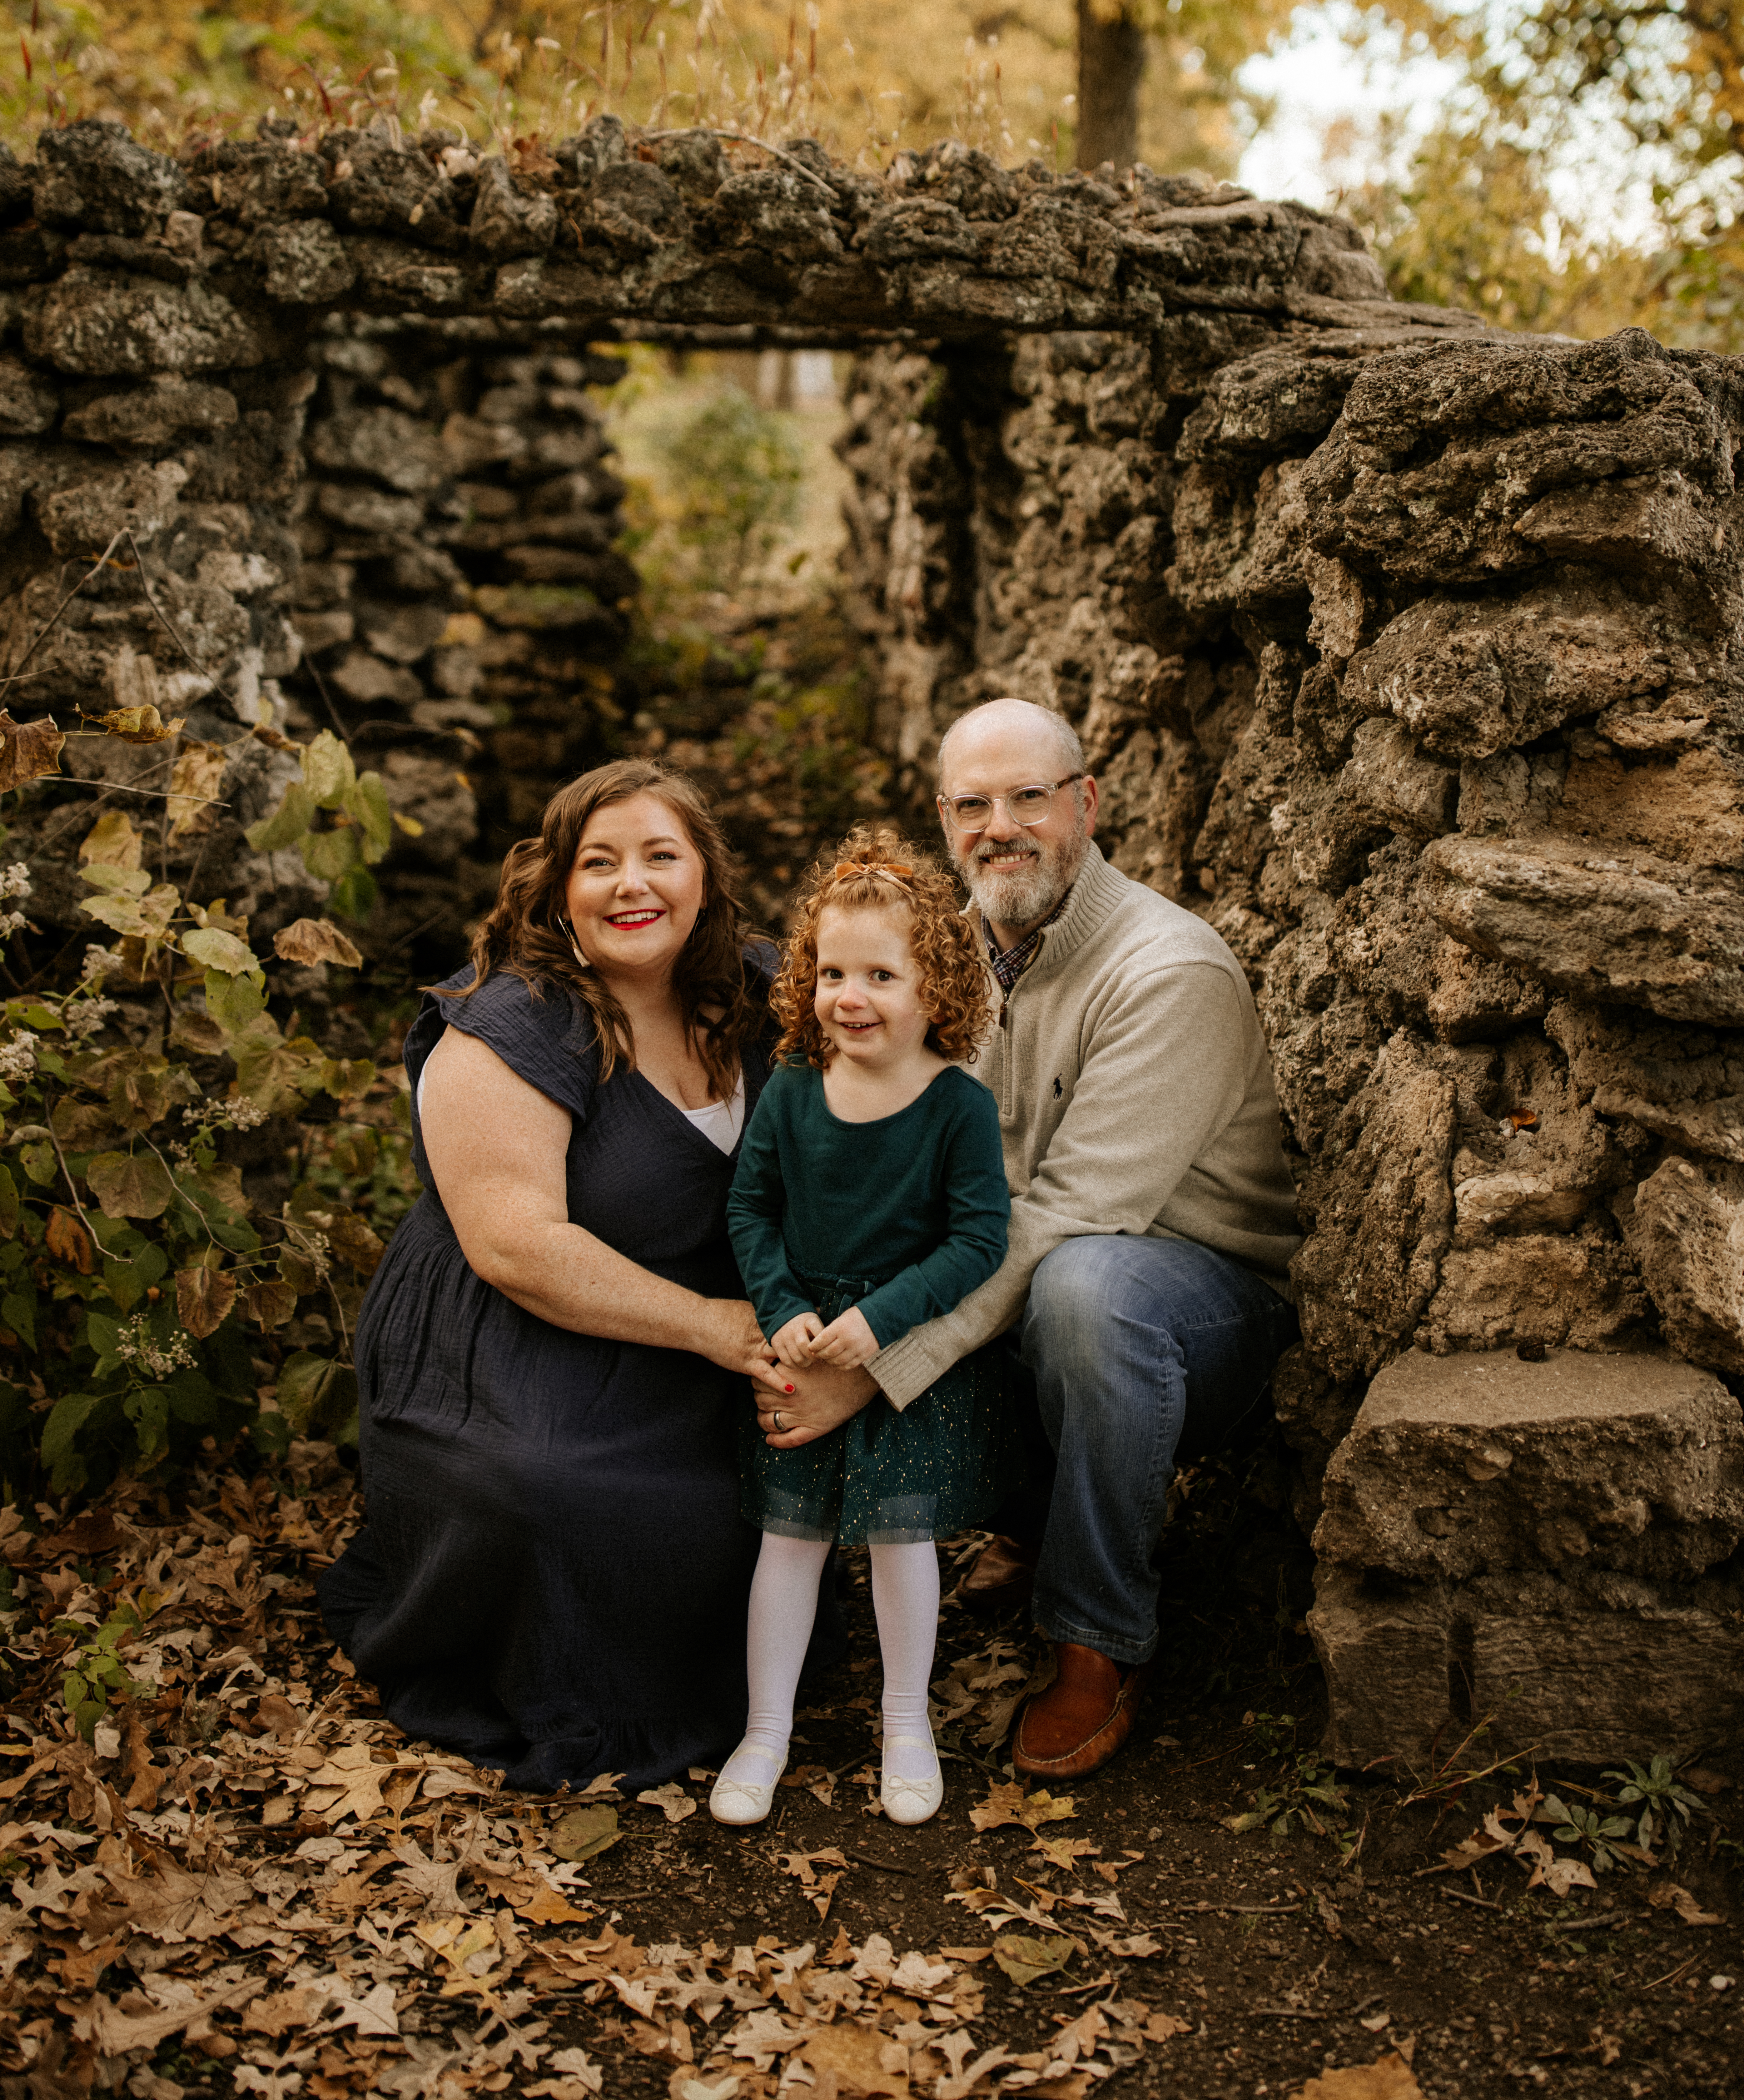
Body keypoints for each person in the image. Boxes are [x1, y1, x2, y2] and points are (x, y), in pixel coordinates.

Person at [750, 699, 1302, 1784]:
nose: (998, 826)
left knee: (1083, 1290)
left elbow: (1064, 1217)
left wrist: (873, 1369)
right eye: (970, 804)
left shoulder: (1164, 969)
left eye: (1028, 797)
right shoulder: (934, 958)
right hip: (1015, 1269)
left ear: (1085, 804)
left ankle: (1098, 1640)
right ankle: (1030, 1511)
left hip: (1186, 1297)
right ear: (945, 821)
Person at [319, 759, 792, 1791]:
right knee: (549, 1492)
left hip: (689, 1328)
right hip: (509, 1328)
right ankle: (551, 1690)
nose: (633, 884)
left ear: (704, 875)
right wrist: (722, 1329)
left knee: (755, 1491)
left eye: (661, 856)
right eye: (600, 862)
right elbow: (515, 1244)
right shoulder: (514, 1021)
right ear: (558, 889)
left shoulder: (767, 990)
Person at [713, 830, 1015, 1828]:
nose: (853, 995)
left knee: (900, 1541)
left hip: (893, 1352)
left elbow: (978, 1239)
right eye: (833, 971)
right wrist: (785, 1306)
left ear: (936, 988)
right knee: (787, 1541)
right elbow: (749, 1208)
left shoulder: (956, 1109)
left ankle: (903, 1721)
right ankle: (765, 1728)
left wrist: (879, 1319)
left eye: (882, 973)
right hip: (805, 1339)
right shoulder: (794, 1089)